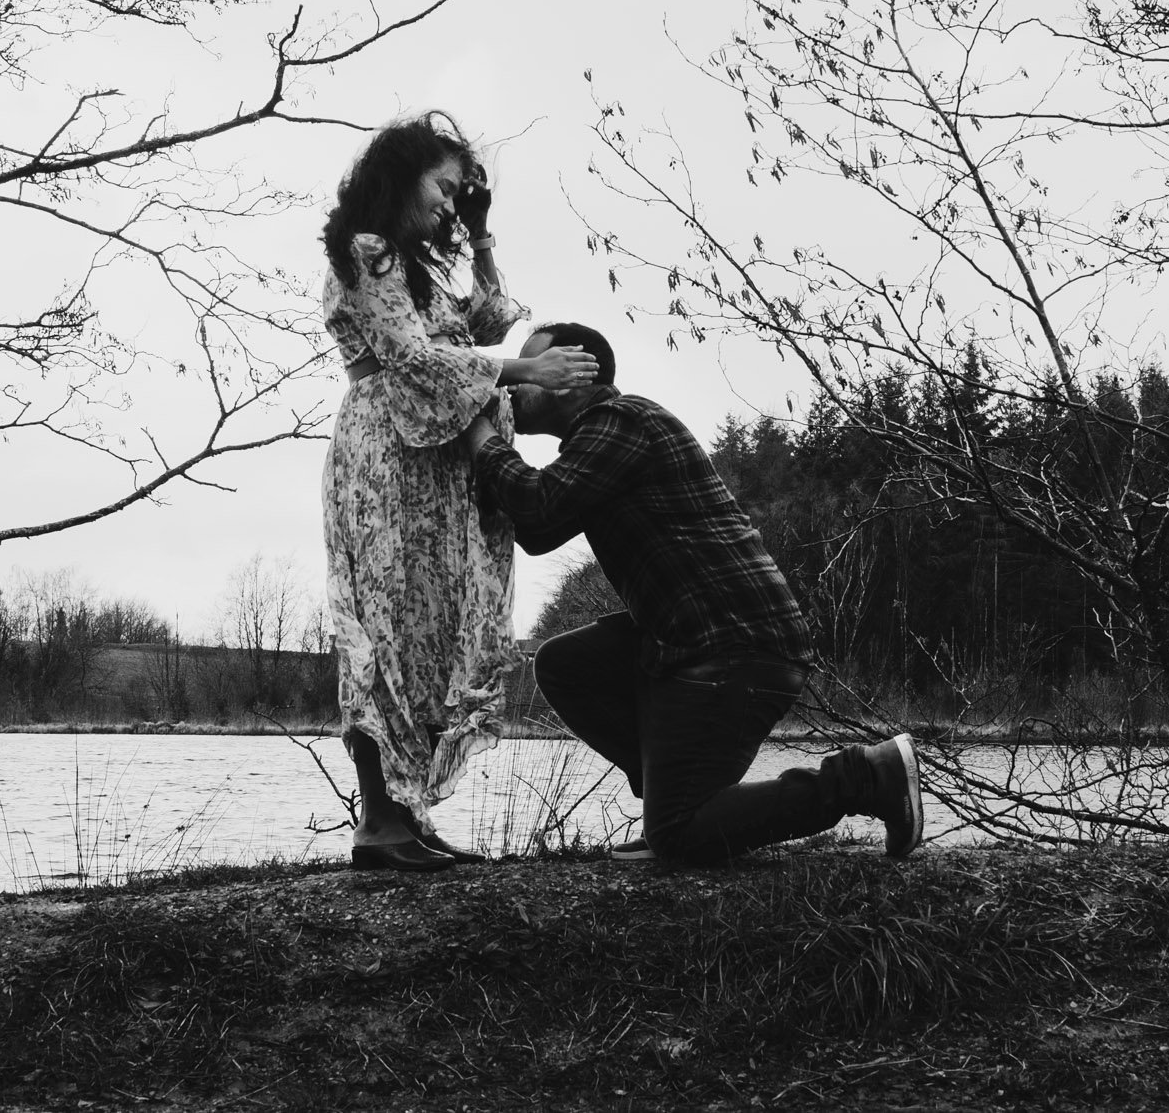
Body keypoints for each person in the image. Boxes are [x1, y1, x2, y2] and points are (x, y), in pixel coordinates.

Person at [467, 322, 923, 865]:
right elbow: (539, 530)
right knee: (566, 664)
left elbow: (537, 504)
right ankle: (671, 794)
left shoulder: (622, 419)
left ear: (574, 373)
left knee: (679, 839)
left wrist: (479, 438)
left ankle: (866, 775)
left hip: (737, 645)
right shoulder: (597, 444)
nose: (514, 385)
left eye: (530, 369)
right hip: (696, 641)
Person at [320, 114, 602, 871]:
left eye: (458, 193)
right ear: (401, 175)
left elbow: (482, 320)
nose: (450, 202)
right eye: (444, 188)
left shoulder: (420, 266)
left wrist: (479, 234)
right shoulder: (368, 251)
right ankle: (379, 822)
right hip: (387, 454)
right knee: (382, 627)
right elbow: (413, 356)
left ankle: (405, 815)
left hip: (434, 461)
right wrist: (527, 373)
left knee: (432, 628)